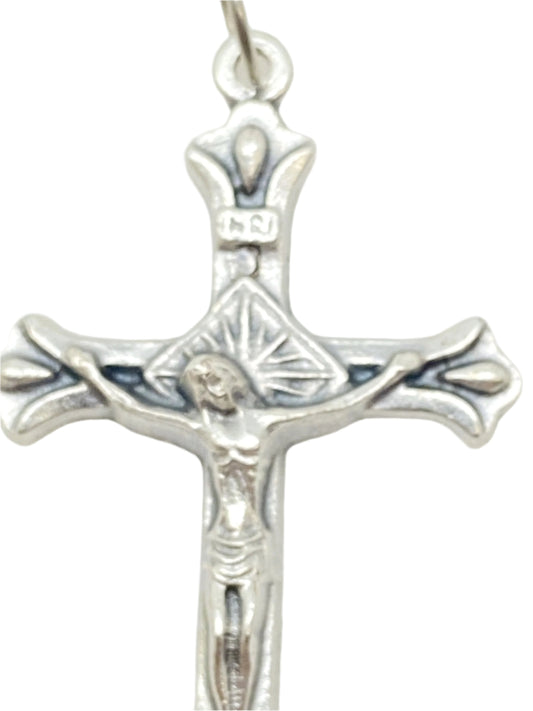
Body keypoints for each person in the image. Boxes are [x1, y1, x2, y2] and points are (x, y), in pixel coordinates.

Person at [63, 346, 422, 709]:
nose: (211, 389)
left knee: (247, 634)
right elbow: (132, 408)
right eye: (202, 384)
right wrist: (90, 372)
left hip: (252, 545)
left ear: (234, 379)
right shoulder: (200, 428)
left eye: (216, 378)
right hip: (221, 544)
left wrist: (392, 374)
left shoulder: (266, 425)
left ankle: (243, 704)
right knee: (220, 634)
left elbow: (339, 408)